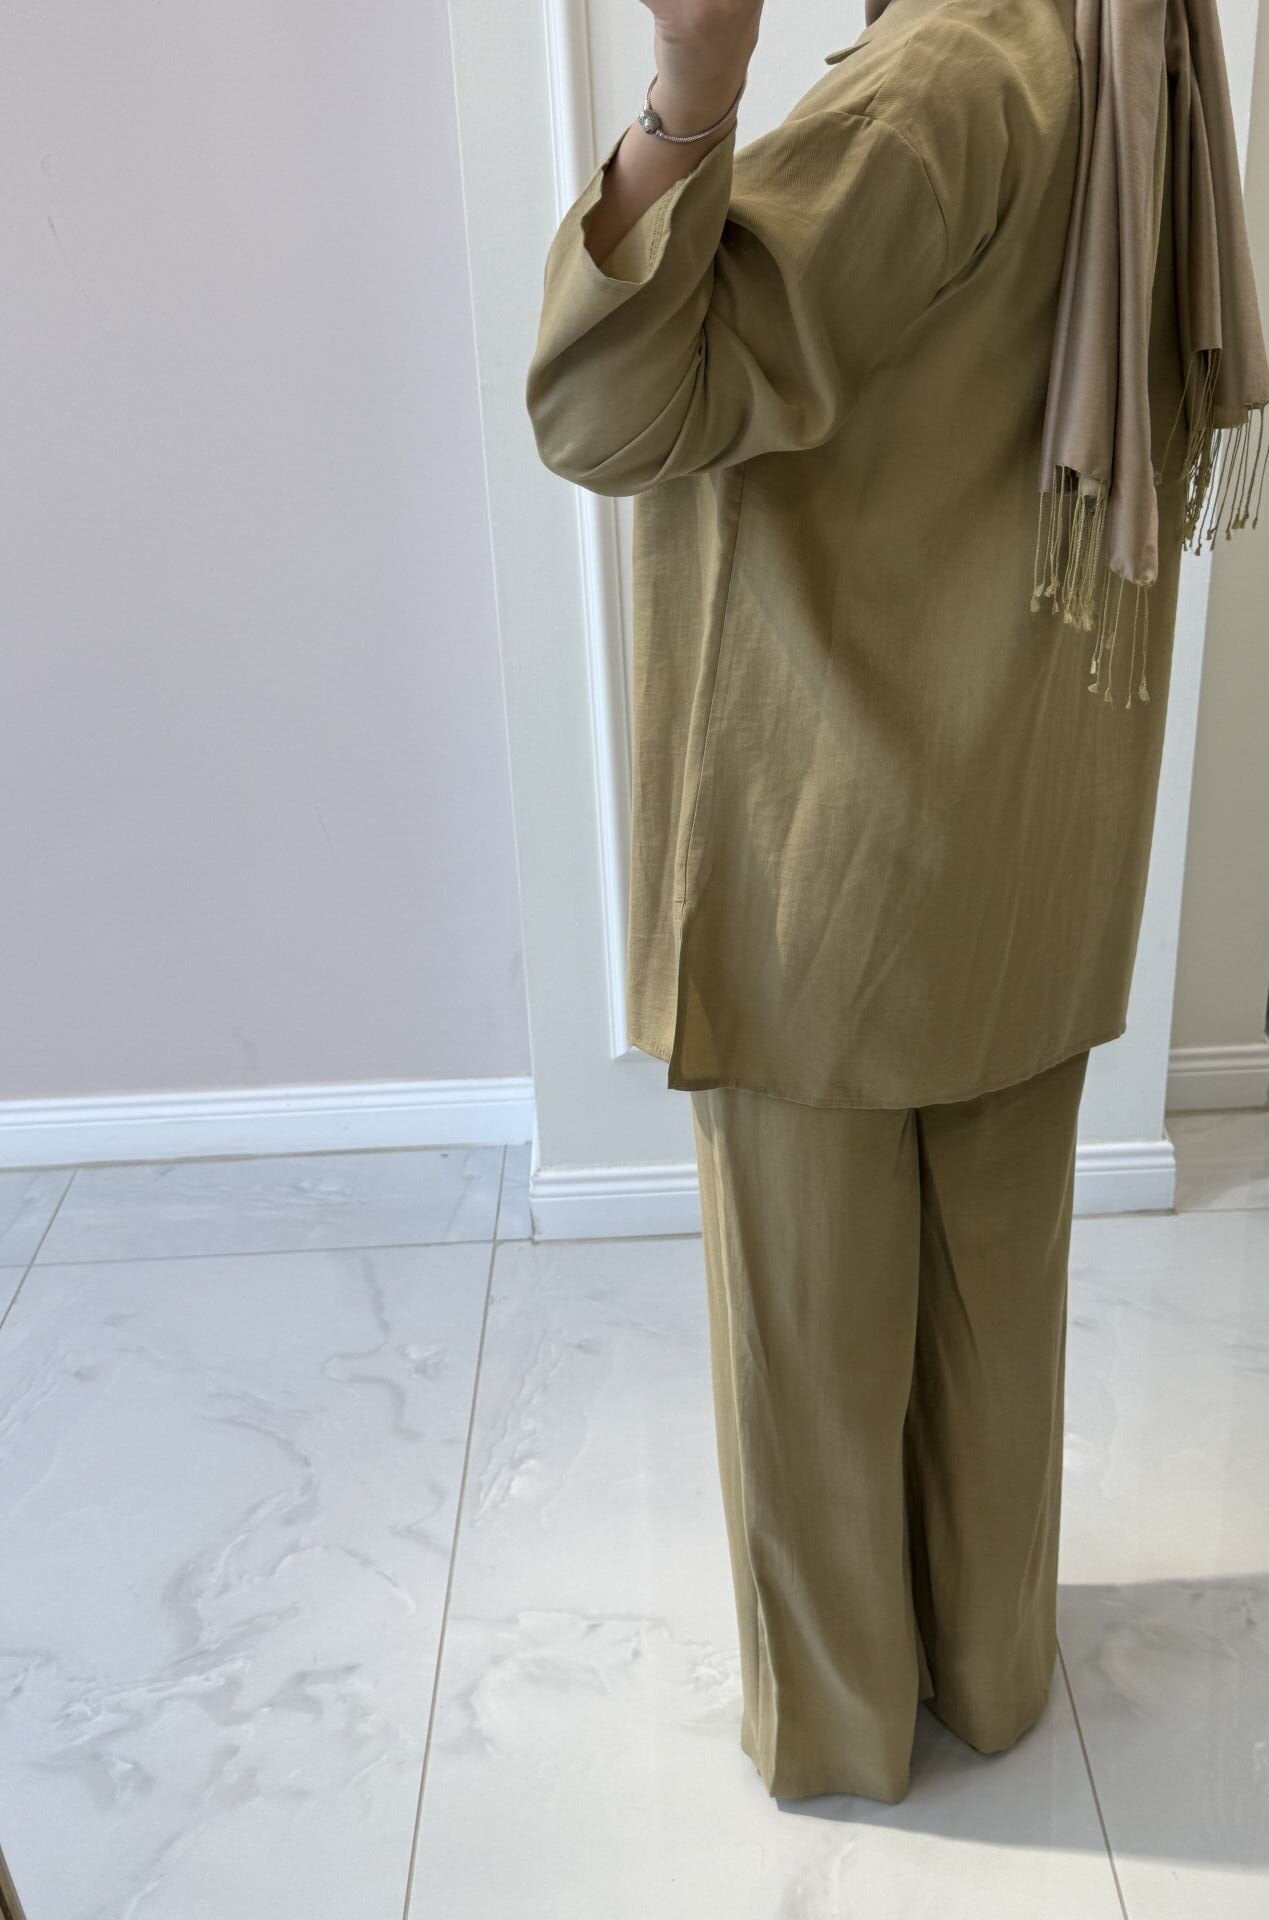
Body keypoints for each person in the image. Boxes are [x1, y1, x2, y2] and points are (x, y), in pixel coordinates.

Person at [525, 0, 1269, 1803]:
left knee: (812, 1333)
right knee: (991, 1303)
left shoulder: (929, 93)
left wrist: (687, 97)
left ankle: (842, 1729)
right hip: (1030, 823)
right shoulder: (1126, 51)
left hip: (835, 840)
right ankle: (993, 1679)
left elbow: (613, 407)